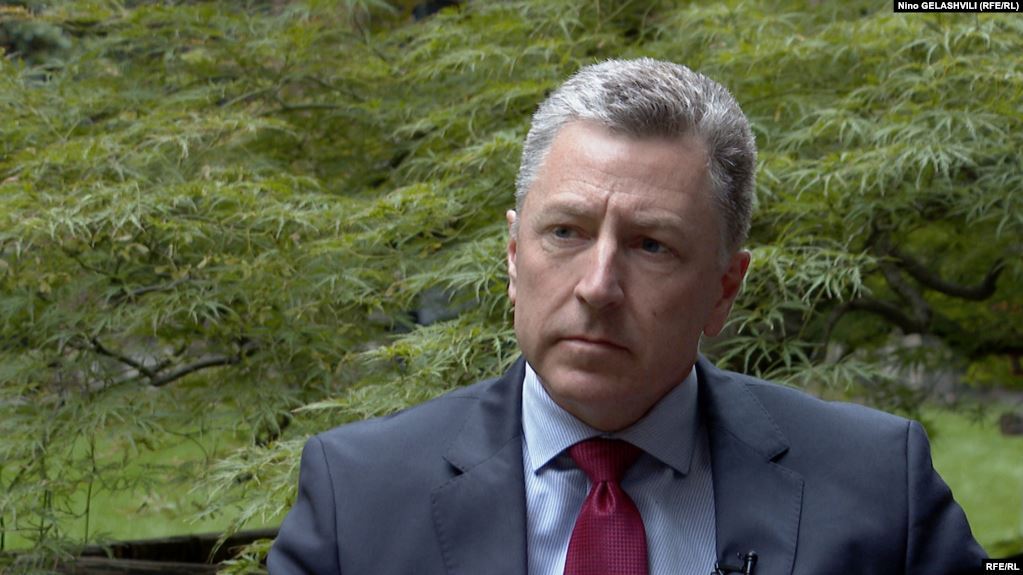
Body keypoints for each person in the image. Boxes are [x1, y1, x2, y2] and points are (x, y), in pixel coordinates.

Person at [267, 58, 985, 575]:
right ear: (513, 258)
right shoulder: (358, 495)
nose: (598, 287)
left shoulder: (877, 487)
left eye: (651, 245)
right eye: (565, 233)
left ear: (724, 289)